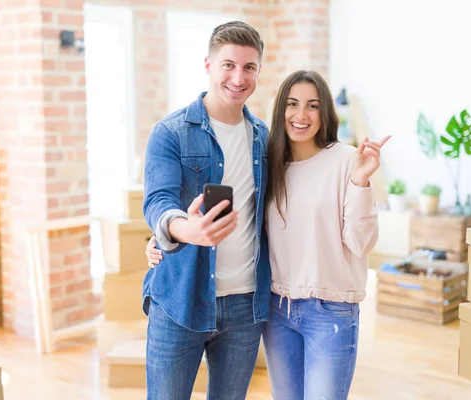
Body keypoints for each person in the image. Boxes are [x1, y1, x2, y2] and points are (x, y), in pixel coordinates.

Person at [147, 70, 390, 399]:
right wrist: (167, 235)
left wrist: (361, 182)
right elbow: (246, 222)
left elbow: (362, 242)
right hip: (278, 310)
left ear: (326, 112)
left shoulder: (347, 161)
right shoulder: (271, 160)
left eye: (312, 106)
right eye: (292, 104)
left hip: (329, 311)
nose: (301, 115)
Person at [141, 21, 272, 400]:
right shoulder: (172, 132)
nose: (238, 77)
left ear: (259, 72)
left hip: (246, 306)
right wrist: (183, 230)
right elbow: (158, 202)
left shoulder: (264, 138)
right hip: (180, 298)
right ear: (208, 66)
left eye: (249, 67)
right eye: (228, 64)